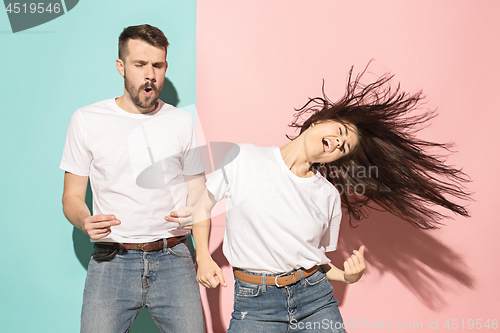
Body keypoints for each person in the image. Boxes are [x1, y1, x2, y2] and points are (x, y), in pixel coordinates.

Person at [192, 66, 470, 332]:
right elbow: (202, 207)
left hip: (315, 300)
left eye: (345, 147)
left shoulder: (327, 195)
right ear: (317, 122)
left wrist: (348, 276)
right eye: (339, 132)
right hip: (256, 304)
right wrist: (203, 257)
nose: (338, 142)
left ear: (339, 158)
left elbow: (315, 259)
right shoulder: (246, 158)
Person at [60, 24, 206, 332]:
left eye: (158, 64)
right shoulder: (86, 120)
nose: (150, 73)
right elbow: (72, 196)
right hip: (112, 259)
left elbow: (198, 189)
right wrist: (84, 221)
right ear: (121, 66)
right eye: (140, 64)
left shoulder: (183, 121)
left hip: (173, 257)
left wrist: (195, 210)